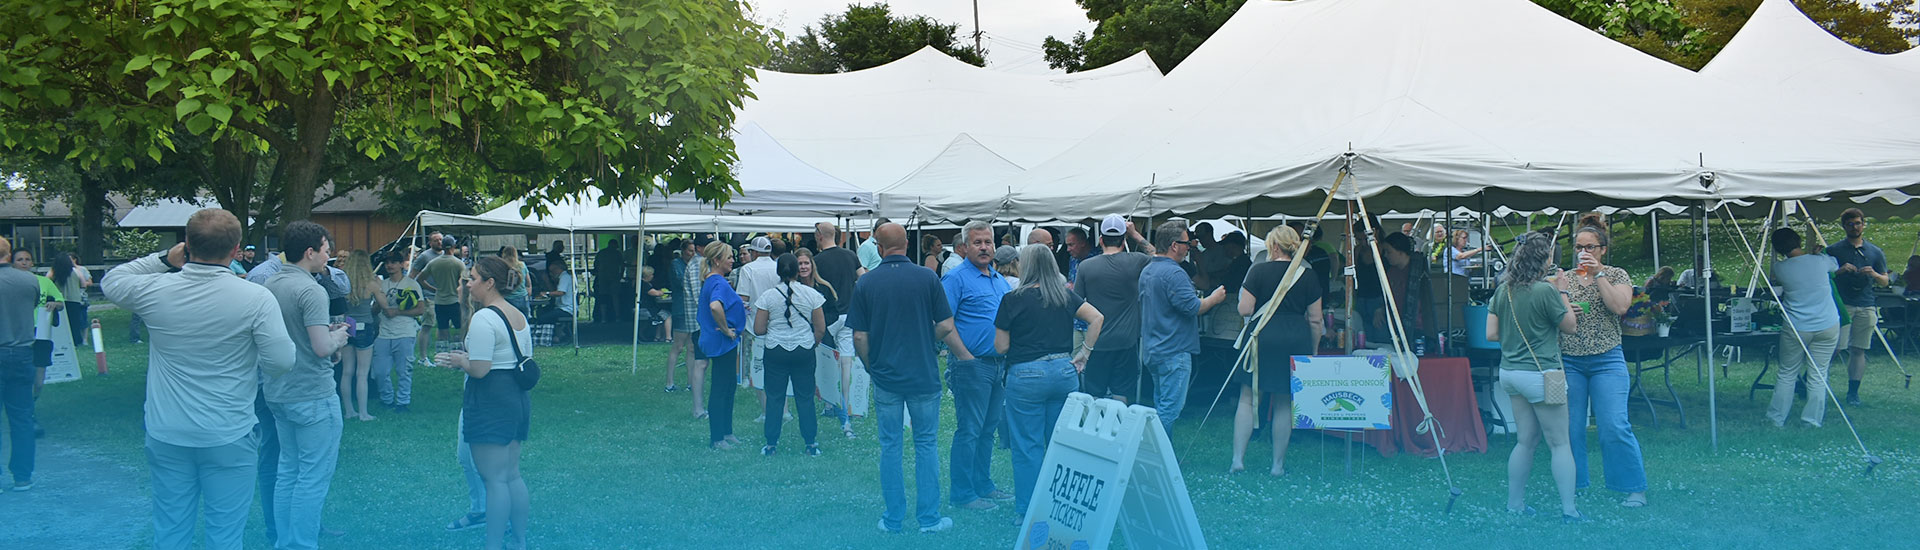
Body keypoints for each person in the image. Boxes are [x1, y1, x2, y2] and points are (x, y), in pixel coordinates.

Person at [104, 209, 299, 549]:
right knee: (225, 535)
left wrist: (164, 258)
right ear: (237, 249)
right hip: (228, 431)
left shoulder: (156, 289)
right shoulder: (255, 297)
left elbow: (113, 281)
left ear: (187, 244)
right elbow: (282, 362)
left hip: (167, 432)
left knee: (171, 532)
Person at [848, 222, 971, 534]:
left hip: (886, 374)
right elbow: (945, 325)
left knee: (890, 446)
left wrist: (871, 364)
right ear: (906, 243)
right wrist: (924, 337)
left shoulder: (866, 283)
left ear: (878, 247)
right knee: (926, 444)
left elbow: (860, 336)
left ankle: (893, 519)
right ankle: (929, 518)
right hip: (923, 374)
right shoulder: (927, 277)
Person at [261, 221, 352, 550]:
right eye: (326, 250)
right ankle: (301, 544)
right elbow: (321, 348)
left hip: (278, 392)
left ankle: (285, 542)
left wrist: (323, 336)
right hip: (312, 394)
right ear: (310, 252)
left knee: (288, 471)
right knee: (312, 478)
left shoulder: (270, 283)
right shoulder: (311, 289)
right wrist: (338, 336)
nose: (329, 257)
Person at [433, 257, 534, 550]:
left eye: (473, 278)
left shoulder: (484, 318)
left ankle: (493, 545)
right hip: (516, 397)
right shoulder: (517, 315)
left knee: (494, 481)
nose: (467, 283)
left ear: (490, 283)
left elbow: (479, 368)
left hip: (490, 399)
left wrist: (459, 360)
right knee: (512, 475)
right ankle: (519, 541)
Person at [1486, 230, 1587, 523]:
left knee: (1524, 441)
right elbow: (1570, 326)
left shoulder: (1502, 290)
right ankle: (1569, 509)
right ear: (1545, 260)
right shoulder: (1546, 290)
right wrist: (1564, 292)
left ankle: (1514, 504)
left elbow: (1491, 333)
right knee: (1560, 443)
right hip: (1543, 373)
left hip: (1510, 373)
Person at [997, 244, 1104, 519]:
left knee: (1027, 446)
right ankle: (1062, 505)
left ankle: (1028, 509)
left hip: (1026, 374)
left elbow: (1001, 347)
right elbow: (1097, 317)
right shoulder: (1064, 296)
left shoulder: (1012, 299)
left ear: (1025, 265)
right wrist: (1085, 353)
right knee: (1061, 444)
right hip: (1063, 371)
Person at [1553, 215, 1648, 508]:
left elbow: (1620, 306)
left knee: (1614, 425)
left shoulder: (1618, 275)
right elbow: (1552, 318)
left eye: (1590, 247)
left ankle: (1633, 489)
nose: (1584, 253)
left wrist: (1599, 275)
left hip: (1607, 359)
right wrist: (1566, 312)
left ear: (1603, 249)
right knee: (1570, 428)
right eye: (1579, 247)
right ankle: (1575, 486)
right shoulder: (1564, 277)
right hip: (1570, 360)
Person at [1231, 225, 1324, 477]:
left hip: (1262, 337)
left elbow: (1245, 309)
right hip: (1295, 338)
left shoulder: (1258, 271)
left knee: (1247, 399)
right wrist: (1313, 351)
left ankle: (1238, 460)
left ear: (1273, 246)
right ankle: (1277, 466)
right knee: (1284, 403)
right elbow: (1316, 320)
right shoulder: (1308, 275)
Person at [940, 220, 1015, 512]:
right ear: (965, 246)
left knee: (989, 429)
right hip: (972, 366)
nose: (984, 247)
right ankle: (962, 494)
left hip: (998, 366)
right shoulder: (956, 279)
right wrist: (965, 358)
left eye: (988, 242)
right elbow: (943, 324)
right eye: (977, 243)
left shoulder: (998, 279)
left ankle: (983, 486)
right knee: (969, 431)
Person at [1137, 220, 1227, 437]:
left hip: (1152, 348)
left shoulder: (1148, 270)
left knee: (1161, 403)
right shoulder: (1175, 274)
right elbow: (1194, 308)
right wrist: (1214, 299)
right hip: (1173, 350)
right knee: (1169, 409)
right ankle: (1161, 458)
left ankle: (1154, 455)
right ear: (1174, 245)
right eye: (1188, 243)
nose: (1190, 247)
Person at [752, 254, 828, 456]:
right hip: (803, 349)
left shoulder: (768, 296)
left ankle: (771, 444)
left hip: (775, 349)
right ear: (797, 271)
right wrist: (812, 342)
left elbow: (758, 329)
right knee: (805, 397)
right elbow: (820, 327)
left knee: (775, 397)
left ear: (778, 271)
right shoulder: (811, 294)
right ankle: (810, 443)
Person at [1769, 228, 1843, 428]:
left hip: (1797, 325)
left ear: (1777, 248)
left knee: (1787, 372)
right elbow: (1835, 266)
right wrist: (1818, 253)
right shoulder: (1818, 260)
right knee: (1819, 373)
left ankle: (1776, 418)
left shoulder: (1780, 268)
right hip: (1827, 322)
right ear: (1798, 241)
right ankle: (1812, 420)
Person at [1076, 215, 1154, 404]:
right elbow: (1158, 256)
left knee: (1095, 392)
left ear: (1100, 239)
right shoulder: (1136, 261)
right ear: (1124, 239)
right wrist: (1136, 234)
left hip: (1097, 340)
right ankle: (1119, 430)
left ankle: (1094, 430)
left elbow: (1076, 302)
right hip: (1126, 341)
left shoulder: (1085, 266)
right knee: (1121, 392)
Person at [1826, 208, 1888, 407]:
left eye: (1858, 223)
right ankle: (1812, 381)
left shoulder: (1875, 251)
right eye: (1850, 224)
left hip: (1866, 304)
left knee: (1859, 349)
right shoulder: (1834, 250)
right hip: (1842, 305)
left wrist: (1874, 275)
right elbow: (1823, 276)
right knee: (1836, 347)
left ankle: (1853, 392)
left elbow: (1885, 281)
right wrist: (1840, 271)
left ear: (1864, 224)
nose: (1855, 227)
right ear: (1844, 226)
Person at [1, 237, 47, 493]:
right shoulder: (31, 281)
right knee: (21, 417)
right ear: (9, 255)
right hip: (21, 352)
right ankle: (22, 476)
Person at [810, 223, 865, 436]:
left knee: (826, 360)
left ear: (819, 236)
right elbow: (863, 277)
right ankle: (847, 402)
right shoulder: (850, 255)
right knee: (846, 361)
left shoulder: (818, 260)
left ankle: (829, 403)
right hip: (848, 314)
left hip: (827, 314)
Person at [697, 242, 746, 449]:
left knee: (728, 386)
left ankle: (726, 432)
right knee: (720, 388)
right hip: (722, 342)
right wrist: (726, 329)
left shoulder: (714, 281)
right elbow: (715, 306)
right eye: (729, 257)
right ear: (717, 260)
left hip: (724, 342)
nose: (733, 260)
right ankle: (717, 437)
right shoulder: (718, 282)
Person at [734, 237, 782, 420]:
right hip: (777, 324)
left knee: (758, 368)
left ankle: (765, 411)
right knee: (777, 369)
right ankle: (782, 410)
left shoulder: (748, 269)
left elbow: (743, 298)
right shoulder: (778, 267)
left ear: (753, 252)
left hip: (754, 324)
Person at [373, 253, 427, 413]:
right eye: (387, 263)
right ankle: (386, 399)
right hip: (383, 333)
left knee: (404, 370)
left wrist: (397, 311)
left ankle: (403, 402)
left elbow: (420, 309)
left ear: (401, 264)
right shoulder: (381, 285)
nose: (390, 266)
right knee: (380, 371)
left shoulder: (411, 284)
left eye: (394, 262)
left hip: (405, 332)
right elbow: (374, 310)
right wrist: (379, 304)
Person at [340, 251, 380, 422]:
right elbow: (383, 304)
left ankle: (349, 411)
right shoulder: (371, 283)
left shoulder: (342, 283)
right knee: (362, 373)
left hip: (347, 326)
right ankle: (363, 413)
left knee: (346, 371)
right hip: (365, 327)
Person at [682, 238, 711, 416]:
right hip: (700, 321)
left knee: (701, 362)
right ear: (700, 248)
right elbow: (698, 296)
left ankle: (699, 406)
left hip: (701, 321)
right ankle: (698, 408)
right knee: (701, 363)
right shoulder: (696, 265)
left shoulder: (701, 263)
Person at [422, 243, 468, 348]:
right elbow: (464, 281)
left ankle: (442, 353)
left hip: (439, 301)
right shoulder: (458, 263)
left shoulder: (433, 263)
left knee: (442, 329)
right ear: (453, 247)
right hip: (455, 301)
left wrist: (433, 289)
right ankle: (458, 350)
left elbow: (420, 279)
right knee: (458, 328)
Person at [52, 252, 91, 348]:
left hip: (59, 300)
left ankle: (61, 340)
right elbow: (83, 284)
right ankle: (75, 341)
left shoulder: (54, 271)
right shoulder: (76, 271)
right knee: (74, 322)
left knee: (60, 322)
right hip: (74, 299)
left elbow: (46, 280)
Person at [594, 239, 625, 324]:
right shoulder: (617, 253)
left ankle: (603, 318)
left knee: (603, 297)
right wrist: (620, 276)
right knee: (615, 297)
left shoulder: (601, 253)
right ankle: (617, 317)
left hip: (602, 277)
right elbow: (622, 266)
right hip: (614, 277)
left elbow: (595, 265)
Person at [499, 246, 532, 317]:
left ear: (503, 254)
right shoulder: (522, 265)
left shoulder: (502, 266)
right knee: (524, 321)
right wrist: (528, 293)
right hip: (522, 297)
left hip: (508, 298)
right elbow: (528, 283)